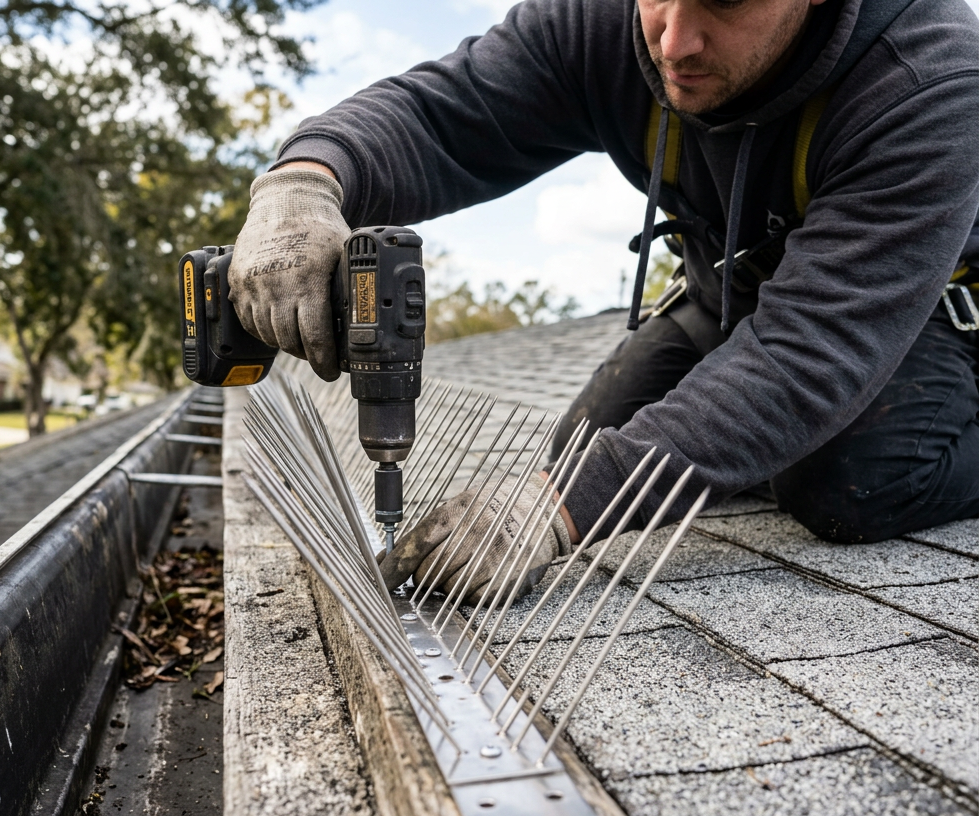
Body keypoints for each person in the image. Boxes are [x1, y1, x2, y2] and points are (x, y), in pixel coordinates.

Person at [226, 0, 979, 600]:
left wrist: (555, 510)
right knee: (580, 455)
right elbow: (443, 114)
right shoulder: (605, 22)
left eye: (723, 1)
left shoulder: (928, 76)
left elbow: (812, 352)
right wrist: (308, 179)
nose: (674, 40)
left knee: (848, 483)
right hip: (733, 293)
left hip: (910, 311)